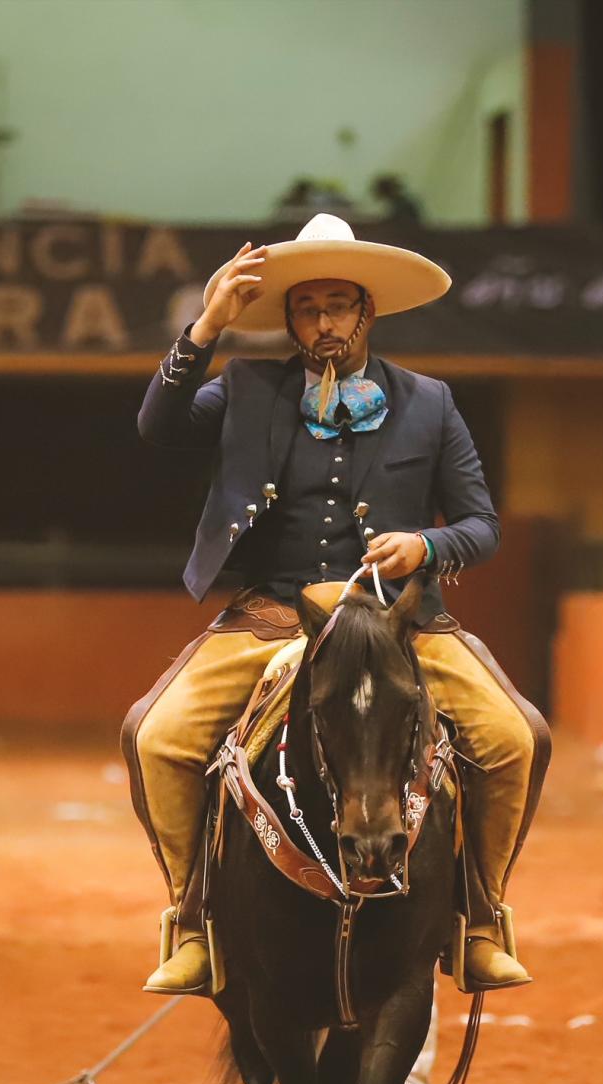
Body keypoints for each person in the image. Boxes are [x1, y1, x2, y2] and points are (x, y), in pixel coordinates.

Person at [125, 213, 550, 998]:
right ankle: (191, 923)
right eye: (307, 308)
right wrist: (208, 325)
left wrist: (425, 546)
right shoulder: (246, 389)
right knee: (155, 738)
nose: (323, 323)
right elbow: (157, 426)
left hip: (395, 626)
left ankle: (481, 920)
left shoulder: (431, 402)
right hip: (270, 618)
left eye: (338, 306)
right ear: (290, 318)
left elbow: (481, 525)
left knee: (516, 738)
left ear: (368, 312)